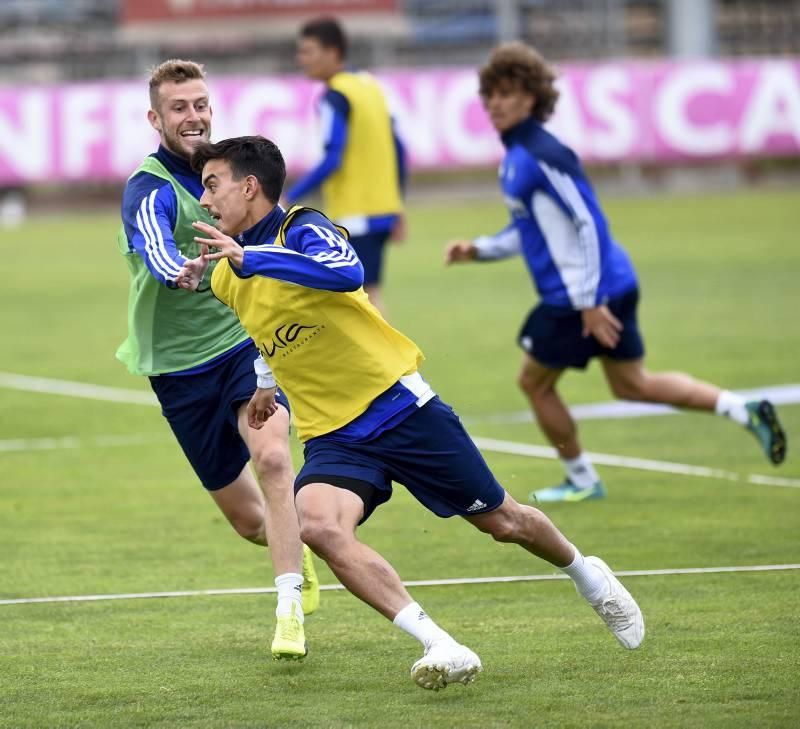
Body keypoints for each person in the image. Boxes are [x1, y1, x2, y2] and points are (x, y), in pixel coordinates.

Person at [175, 135, 645, 691]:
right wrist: (262, 383)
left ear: (249, 186)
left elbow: (346, 272)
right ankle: (441, 645)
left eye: (212, 185)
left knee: (504, 522)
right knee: (319, 526)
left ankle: (585, 573)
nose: (204, 201)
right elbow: (266, 327)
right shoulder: (227, 276)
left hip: (400, 408)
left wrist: (252, 257)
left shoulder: (301, 227)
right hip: (334, 435)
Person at [444, 42, 788, 503]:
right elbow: (529, 229)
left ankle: (582, 479)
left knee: (533, 382)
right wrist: (479, 250)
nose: (496, 103)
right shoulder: (517, 156)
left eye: (508, 93)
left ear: (532, 98)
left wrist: (588, 301)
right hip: (610, 283)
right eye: (491, 94)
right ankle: (742, 409)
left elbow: (587, 222)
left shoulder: (543, 153)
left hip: (577, 297)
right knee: (633, 384)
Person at [116, 60, 319, 660]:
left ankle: (288, 611)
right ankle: (299, 549)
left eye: (200, 103)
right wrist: (175, 268)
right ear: (156, 118)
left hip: (242, 342)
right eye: (179, 107)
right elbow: (152, 239)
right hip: (178, 369)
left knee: (276, 458)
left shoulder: (229, 173)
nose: (194, 116)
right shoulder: (147, 185)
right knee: (249, 523)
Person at [285, 16, 406, 316]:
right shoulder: (369, 84)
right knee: (367, 296)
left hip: (355, 215)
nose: (302, 59)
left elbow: (332, 158)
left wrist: (291, 195)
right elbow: (399, 148)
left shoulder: (334, 96)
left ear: (333, 52)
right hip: (382, 210)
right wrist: (397, 205)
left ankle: (391, 363)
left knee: (360, 301)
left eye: (308, 51)